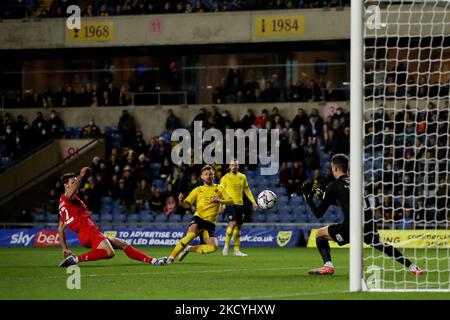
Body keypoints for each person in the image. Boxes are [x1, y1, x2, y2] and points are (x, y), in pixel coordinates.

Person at [301, 154, 423, 276]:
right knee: (381, 244)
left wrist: (309, 199)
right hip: (369, 222)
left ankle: (328, 266)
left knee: (320, 235)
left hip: (352, 225)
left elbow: (318, 213)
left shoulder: (334, 186)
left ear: (335, 168)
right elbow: (345, 202)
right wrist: (322, 195)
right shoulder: (356, 183)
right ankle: (413, 267)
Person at [57, 167, 167, 267]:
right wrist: (81, 176)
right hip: (88, 230)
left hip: (87, 233)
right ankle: (75, 260)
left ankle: (153, 261)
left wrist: (65, 248)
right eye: (73, 182)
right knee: (109, 252)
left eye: (76, 181)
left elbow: (60, 229)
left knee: (123, 244)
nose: (76, 184)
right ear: (66, 185)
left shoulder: (62, 204)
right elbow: (70, 195)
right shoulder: (68, 197)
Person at [166, 165, 234, 264]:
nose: (208, 176)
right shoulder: (198, 190)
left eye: (210, 174)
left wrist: (219, 200)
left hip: (210, 223)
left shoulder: (220, 188)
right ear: (202, 176)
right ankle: (170, 258)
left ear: (214, 175)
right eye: (206, 174)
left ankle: (189, 249)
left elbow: (232, 201)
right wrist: (181, 201)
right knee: (190, 236)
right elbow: (186, 205)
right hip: (199, 218)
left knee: (213, 248)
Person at [220, 160, 257, 257]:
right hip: (230, 203)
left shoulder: (242, 177)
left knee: (237, 227)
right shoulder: (225, 178)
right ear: (229, 166)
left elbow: (247, 190)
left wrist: (253, 201)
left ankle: (236, 250)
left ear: (238, 166)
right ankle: (226, 247)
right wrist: (221, 205)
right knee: (232, 224)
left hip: (240, 204)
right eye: (232, 165)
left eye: (235, 165)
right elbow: (220, 192)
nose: (234, 167)